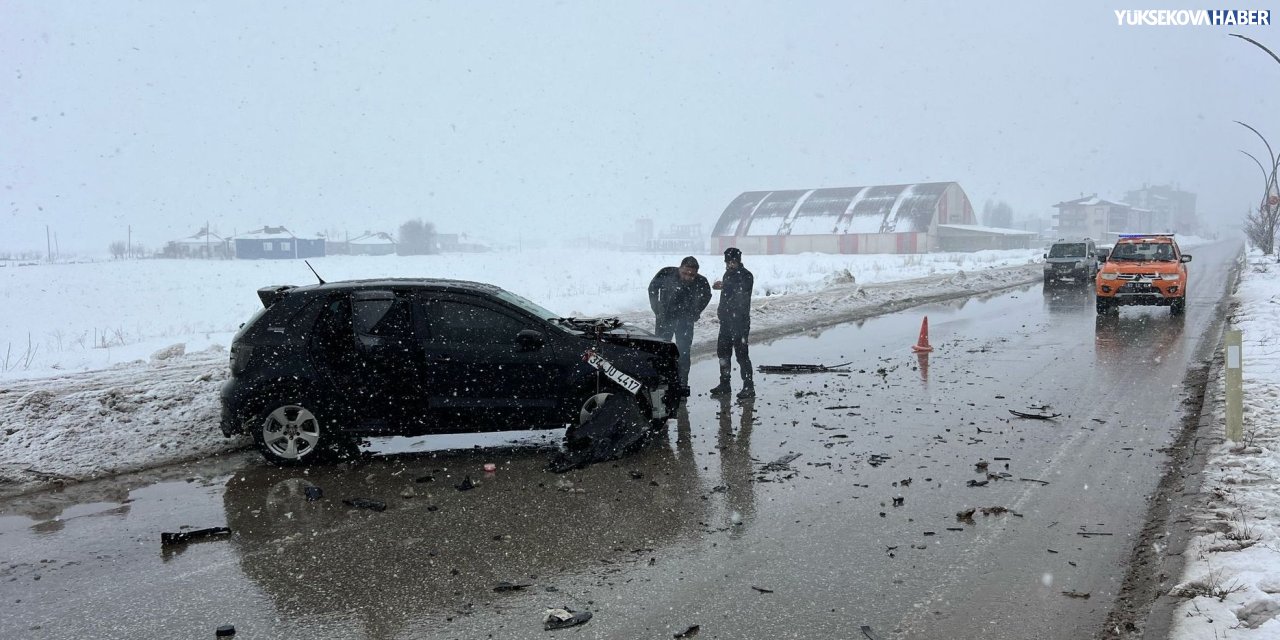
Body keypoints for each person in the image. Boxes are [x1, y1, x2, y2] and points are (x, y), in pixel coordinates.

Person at [648, 256, 711, 389]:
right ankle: (661, 381)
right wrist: (657, 308)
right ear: (680, 268)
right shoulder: (666, 273)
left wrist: (696, 312)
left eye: (692, 275)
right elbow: (652, 287)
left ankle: (682, 384)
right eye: (685, 273)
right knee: (661, 350)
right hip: (665, 318)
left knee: (683, 352)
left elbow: (707, 295)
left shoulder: (701, 281)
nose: (688, 277)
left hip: (685, 321)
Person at [709, 247, 755, 399]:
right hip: (726, 322)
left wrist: (725, 286)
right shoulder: (727, 275)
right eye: (728, 262)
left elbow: (741, 290)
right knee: (723, 353)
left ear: (739, 261)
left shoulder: (746, 275)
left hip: (740, 322)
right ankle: (725, 384)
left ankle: (748, 386)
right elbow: (727, 295)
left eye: (733, 262)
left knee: (742, 355)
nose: (730, 265)